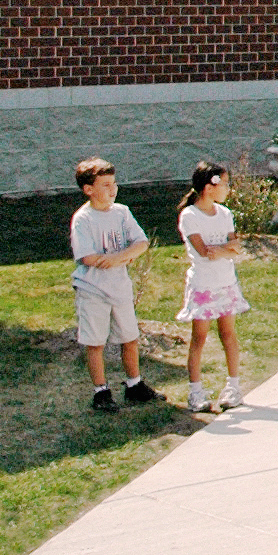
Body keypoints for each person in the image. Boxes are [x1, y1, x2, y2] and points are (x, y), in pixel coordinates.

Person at [69, 158, 161, 411]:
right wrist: (114, 258)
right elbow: (87, 256)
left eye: (114, 184)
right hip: (93, 290)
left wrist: (118, 258)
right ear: (89, 189)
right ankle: (101, 391)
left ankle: (134, 385)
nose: (113, 189)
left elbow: (140, 242)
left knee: (130, 337)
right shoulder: (83, 218)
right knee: (95, 341)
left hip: (120, 287)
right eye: (106, 184)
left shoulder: (122, 212)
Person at [174, 161, 251, 413]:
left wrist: (223, 250)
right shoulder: (189, 216)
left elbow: (235, 247)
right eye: (225, 184)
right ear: (210, 187)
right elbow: (204, 251)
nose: (228, 189)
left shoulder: (225, 214)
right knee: (200, 337)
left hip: (226, 283)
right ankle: (196, 391)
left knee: (228, 334)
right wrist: (224, 250)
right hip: (203, 286)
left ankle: (233, 387)